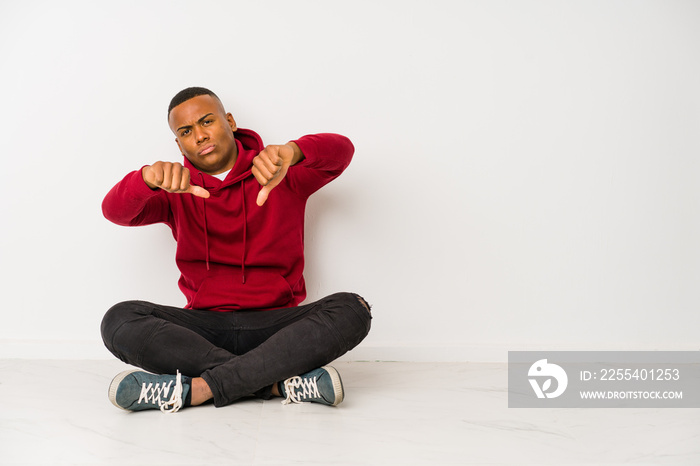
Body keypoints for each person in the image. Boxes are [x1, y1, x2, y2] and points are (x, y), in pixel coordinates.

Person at [101, 87, 371, 413]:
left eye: (207, 122)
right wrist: (144, 179)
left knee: (353, 309)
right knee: (119, 320)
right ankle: (277, 382)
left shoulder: (279, 172)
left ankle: (198, 390)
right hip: (202, 331)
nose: (199, 136)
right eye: (186, 132)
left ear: (229, 121)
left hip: (277, 327)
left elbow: (342, 151)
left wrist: (294, 152)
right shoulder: (174, 188)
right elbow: (114, 211)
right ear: (178, 143)